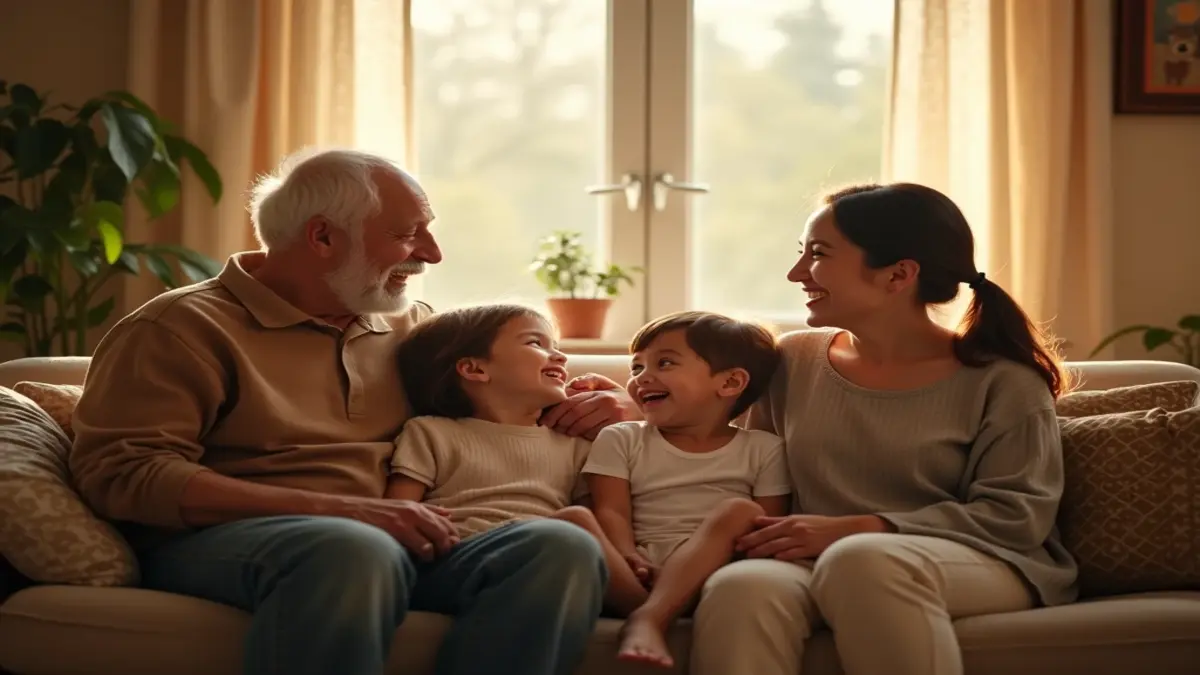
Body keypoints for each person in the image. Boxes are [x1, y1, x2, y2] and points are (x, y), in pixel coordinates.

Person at [68, 148, 639, 675]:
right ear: (322, 237)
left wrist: (611, 405)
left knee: (559, 545)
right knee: (349, 547)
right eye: (407, 234)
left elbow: (497, 417)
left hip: (407, 536)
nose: (432, 254)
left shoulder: (411, 326)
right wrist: (344, 510)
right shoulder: (179, 329)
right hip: (239, 542)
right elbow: (124, 474)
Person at [683, 182, 1080, 675]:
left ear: (898, 275)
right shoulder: (793, 360)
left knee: (862, 562)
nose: (795, 273)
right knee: (741, 588)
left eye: (819, 254)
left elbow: (1016, 516)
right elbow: (726, 450)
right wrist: (614, 406)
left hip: (983, 559)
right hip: (816, 557)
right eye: (801, 254)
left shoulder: (1005, 381)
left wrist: (861, 528)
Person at [386, 302, 645, 615]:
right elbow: (399, 515)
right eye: (536, 343)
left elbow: (605, 516)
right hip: (456, 560)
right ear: (474, 369)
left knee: (573, 531)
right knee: (573, 524)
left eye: (557, 346)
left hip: (549, 560)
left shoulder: (575, 444)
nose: (560, 356)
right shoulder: (430, 432)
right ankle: (645, 609)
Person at [581, 311, 792, 669]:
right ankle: (649, 612)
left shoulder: (764, 449)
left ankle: (650, 618)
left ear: (729, 383)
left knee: (742, 512)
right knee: (572, 519)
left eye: (664, 363)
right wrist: (629, 555)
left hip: (711, 576)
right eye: (636, 368)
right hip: (632, 573)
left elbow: (766, 531)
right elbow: (611, 510)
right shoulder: (621, 437)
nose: (641, 378)